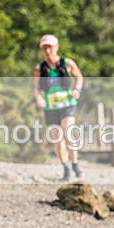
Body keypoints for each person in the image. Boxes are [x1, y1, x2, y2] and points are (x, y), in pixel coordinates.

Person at [33, 34, 83, 181]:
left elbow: (79, 77)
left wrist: (77, 90)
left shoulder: (67, 63)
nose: (47, 50)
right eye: (44, 48)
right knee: (58, 140)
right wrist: (39, 98)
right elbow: (36, 88)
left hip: (67, 105)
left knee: (68, 133)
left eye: (50, 47)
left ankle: (75, 164)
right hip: (50, 108)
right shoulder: (39, 68)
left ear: (56, 47)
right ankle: (66, 168)